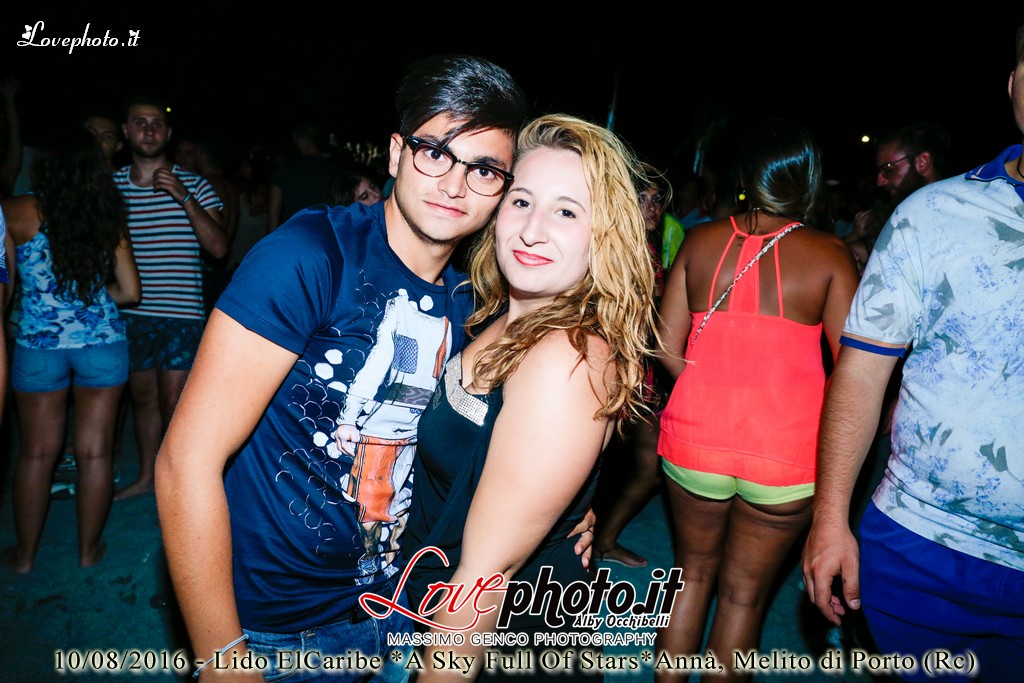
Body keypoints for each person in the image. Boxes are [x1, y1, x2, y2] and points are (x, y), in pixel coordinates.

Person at [155, 55, 530, 682]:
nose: (454, 184)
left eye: (484, 169)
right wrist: (222, 659)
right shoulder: (310, 256)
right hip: (279, 630)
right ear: (396, 154)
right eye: (435, 152)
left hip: (404, 608)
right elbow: (185, 462)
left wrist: (568, 511)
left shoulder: (473, 301)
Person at [802, 26, 1024, 682]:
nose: (879, 180)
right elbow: (861, 365)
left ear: (921, 162)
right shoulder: (926, 215)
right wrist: (831, 516)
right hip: (918, 543)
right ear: (1015, 83)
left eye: (889, 168)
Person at [401, 113, 655, 681]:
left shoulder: (567, 358)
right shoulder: (497, 316)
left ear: (604, 234)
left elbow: (481, 586)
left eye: (566, 211)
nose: (532, 230)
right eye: (521, 201)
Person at [655, 119, 859, 680]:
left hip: (695, 442)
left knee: (690, 577)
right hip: (786, 458)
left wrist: (710, 384)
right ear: (807, 180)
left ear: (746, 177)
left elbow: (665, 346)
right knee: (743, 598)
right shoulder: (830, 254)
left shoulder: (699, 241)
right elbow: (853, 374)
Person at [2, 129, 140, 573]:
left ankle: (24, 557)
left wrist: (45, 307)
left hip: (38, 345)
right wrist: (86, 304)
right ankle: (87, 553)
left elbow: (5, 291)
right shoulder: (106, 214)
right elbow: (130, 291)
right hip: (102, 343)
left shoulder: (13, 211)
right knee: (95, 453)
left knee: (36, 453)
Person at [113, 97, 227, 501]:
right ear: (126, 130)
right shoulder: (111, 186)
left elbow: (218, 247)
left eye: (156, 123)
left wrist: (183, 196)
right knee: (142, 400)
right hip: (129, 312)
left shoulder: (195, 184)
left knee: (174, 403)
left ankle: (176, 482)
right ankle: (147, 476)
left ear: (168, 133)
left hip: (182, 313)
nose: (148, 130)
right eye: (139, 122)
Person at [592, 164, 671, 569]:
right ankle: (586, 550)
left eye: (657, 199)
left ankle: (603, 542)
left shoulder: (651, 250)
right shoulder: (607, 246)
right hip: (608, 374)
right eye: (642, 198)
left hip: (643, 374)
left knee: (648, 467)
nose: (652, 207)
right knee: (595, 472)